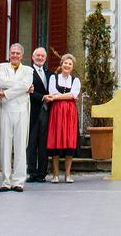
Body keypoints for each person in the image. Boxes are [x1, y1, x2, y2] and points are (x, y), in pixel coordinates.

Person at [0, 43, 34, 192]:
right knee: (5, 145)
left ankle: (18, 181)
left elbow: (26, 84)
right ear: (9, 54)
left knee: (20, 145)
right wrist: (22, 88)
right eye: (12, 53)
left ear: (22, 55)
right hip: (6, 109)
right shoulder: (2, 67)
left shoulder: (28, 70)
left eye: (17, 53)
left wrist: (6, 92)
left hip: (21, 109)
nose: (15, 55)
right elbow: (2, 82)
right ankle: (6, 181)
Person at [47, 54, 81, 183]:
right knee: (56, 140)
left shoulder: (75, 80)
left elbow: (74, 94)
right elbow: (52, 92)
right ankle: (55, 175)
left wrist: (57, 97)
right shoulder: (53, 78)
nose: (67, 65)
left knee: (69, 141)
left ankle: (67, 175)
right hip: (57, 112)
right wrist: (66, 96)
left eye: (70, 64)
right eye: (65, 63)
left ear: (72, 67)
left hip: (70, 113)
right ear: (61, 64)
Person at [27, 47, 52, 183]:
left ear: (45, 58)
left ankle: (42, 173)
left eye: (42, 56)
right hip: (33, 111)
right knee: (31, 143)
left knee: (44, 143)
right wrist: (42, 97)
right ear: (32, 57)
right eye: (38, 56)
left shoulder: (50, 74)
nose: (40, 58)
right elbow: (28, 92)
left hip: (47, 112)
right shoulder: (27, 73)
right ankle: (32, 172)